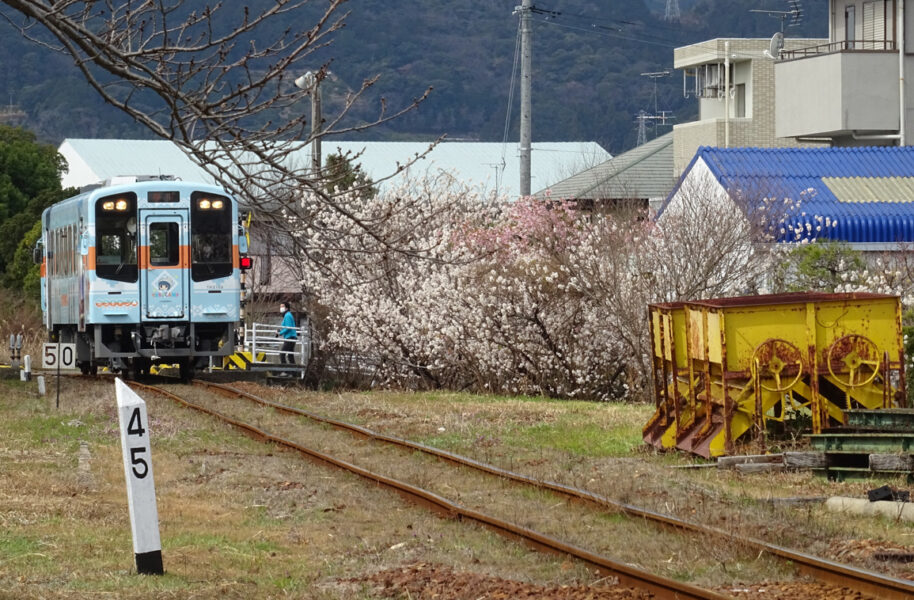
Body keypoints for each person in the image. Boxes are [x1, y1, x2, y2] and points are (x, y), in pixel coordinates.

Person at [279, 301, 297, 368]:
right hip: (291, 337)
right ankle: (294, 373)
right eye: (280, 307)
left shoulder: (287, 315)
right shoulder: (288, 315)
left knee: (282, 354)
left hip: (290, 337)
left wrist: (280, 333)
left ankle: (286, 371)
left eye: (282, 306)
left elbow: (288, 327)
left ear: (286, 308)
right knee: (290, 355)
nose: (281, 308)